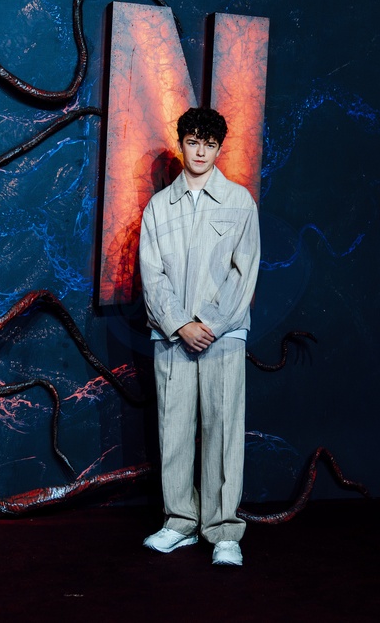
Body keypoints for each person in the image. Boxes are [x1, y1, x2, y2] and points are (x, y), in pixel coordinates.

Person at [139, 106, 260, 566]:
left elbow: (243, 273)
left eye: (209, 144)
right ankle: (179, 523)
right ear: (181, 144)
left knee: (223, 430)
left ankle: (224, 530)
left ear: (219, 148)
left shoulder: (239, 202)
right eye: (193, 142)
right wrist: (179, 325)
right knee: (173, 430)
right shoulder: (158, 208)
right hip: (172, 337)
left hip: (223, 336)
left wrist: (207, 324)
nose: (201, 151)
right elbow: (152, 276)